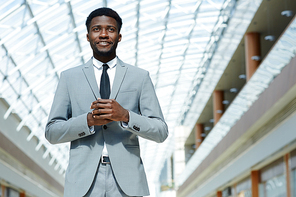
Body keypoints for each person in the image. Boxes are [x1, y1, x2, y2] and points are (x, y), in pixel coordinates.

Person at [45, 7, 168, 197]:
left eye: (110, 29)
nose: (103, 34)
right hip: (83, 181)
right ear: (88, 36)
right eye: (97, 29)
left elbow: (160, 131)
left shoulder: (140, 77)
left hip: (127, 181)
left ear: (119, 36)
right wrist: (87, 121)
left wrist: (125, 116)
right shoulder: (69, 78)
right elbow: (52, 132)